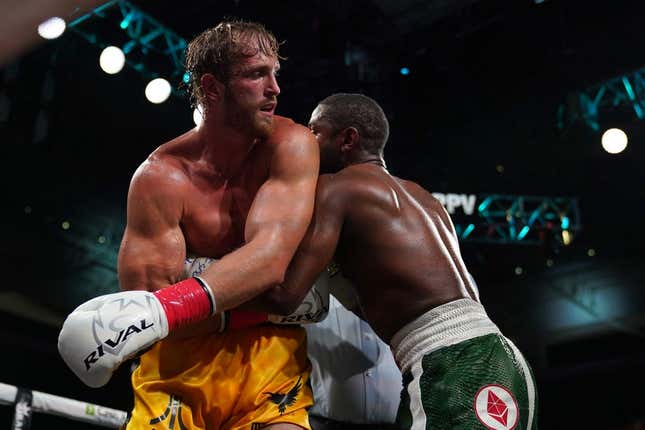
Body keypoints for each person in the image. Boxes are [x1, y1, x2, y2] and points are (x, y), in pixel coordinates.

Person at [59, 20, 320, 430]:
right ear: (213, 88)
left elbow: (271, 261)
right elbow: (149, 312)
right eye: (256, 74)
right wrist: (272, 306)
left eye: (275, 74)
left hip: (270, 366)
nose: (275, 89)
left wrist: (178, 298)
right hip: (175, 377)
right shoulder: (159, 179)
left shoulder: (291, 145)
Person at [257, 93, 538, 430]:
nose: (308, 144)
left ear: (348, 138)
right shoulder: (424, 198)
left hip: (454, 365)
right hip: (495, 357)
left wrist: (213, 293)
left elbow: (286, 296)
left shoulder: (336, 189)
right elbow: (393, 301)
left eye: (316, 132)